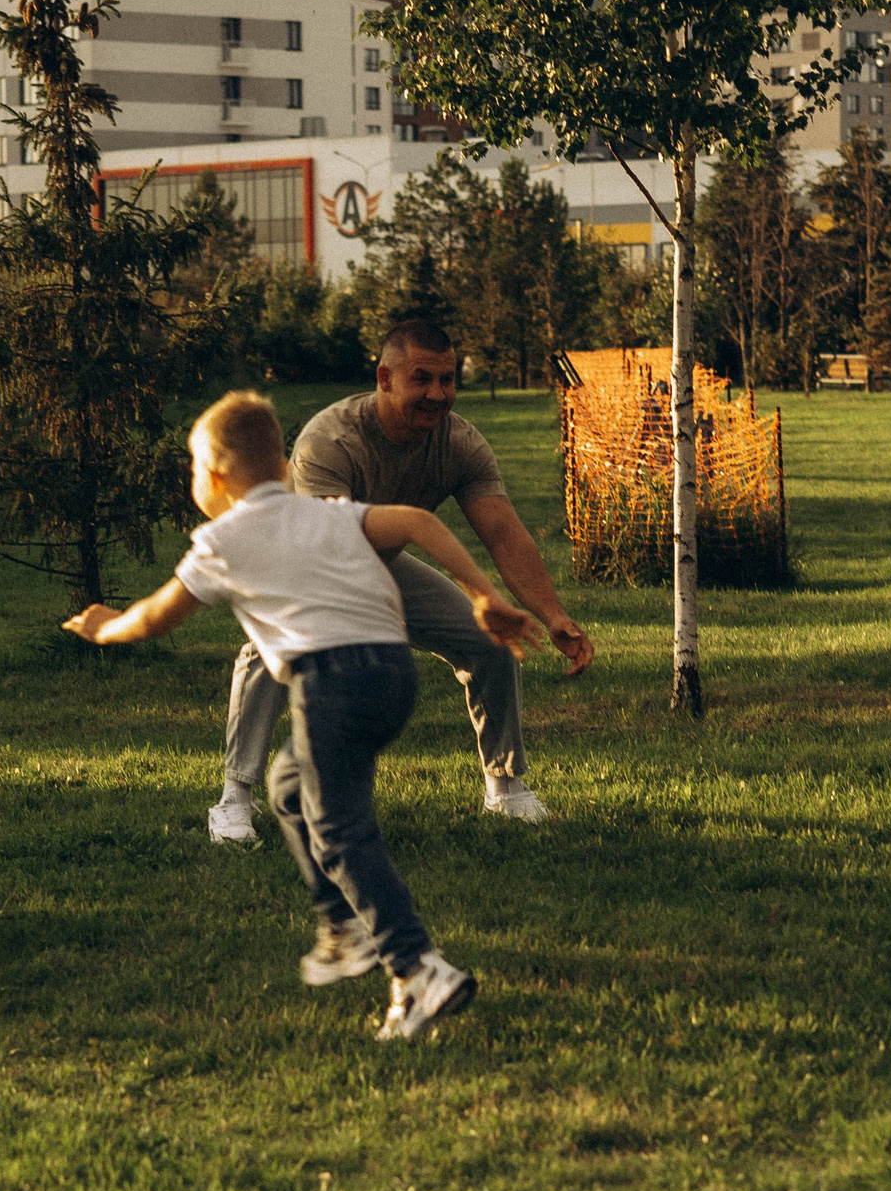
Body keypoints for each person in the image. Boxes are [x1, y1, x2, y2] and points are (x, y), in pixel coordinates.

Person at [66, 390, 539, 1039]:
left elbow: (153, 617)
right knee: (291, 787)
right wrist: (482, 595)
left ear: (216, 476)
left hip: (332, 684)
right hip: (391, 676)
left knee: (341, 830)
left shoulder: (221, 539)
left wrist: (103, 627)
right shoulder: (330, 514)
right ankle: (344, 928)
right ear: (283, 465)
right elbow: (420, 525)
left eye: (194, 469)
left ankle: (418, 967)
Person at [207, 318, 594, 844]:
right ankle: (234, 798)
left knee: (490, 641)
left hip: (381, 563)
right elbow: (332, 552)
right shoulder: (331, 439)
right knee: (270, 650)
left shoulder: (459, 443)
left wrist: (552, 615)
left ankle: (506, 787)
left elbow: (502, 531)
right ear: (384, 378)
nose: (438, 394)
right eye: (422, 379)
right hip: (303, 570)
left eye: (448, 379)